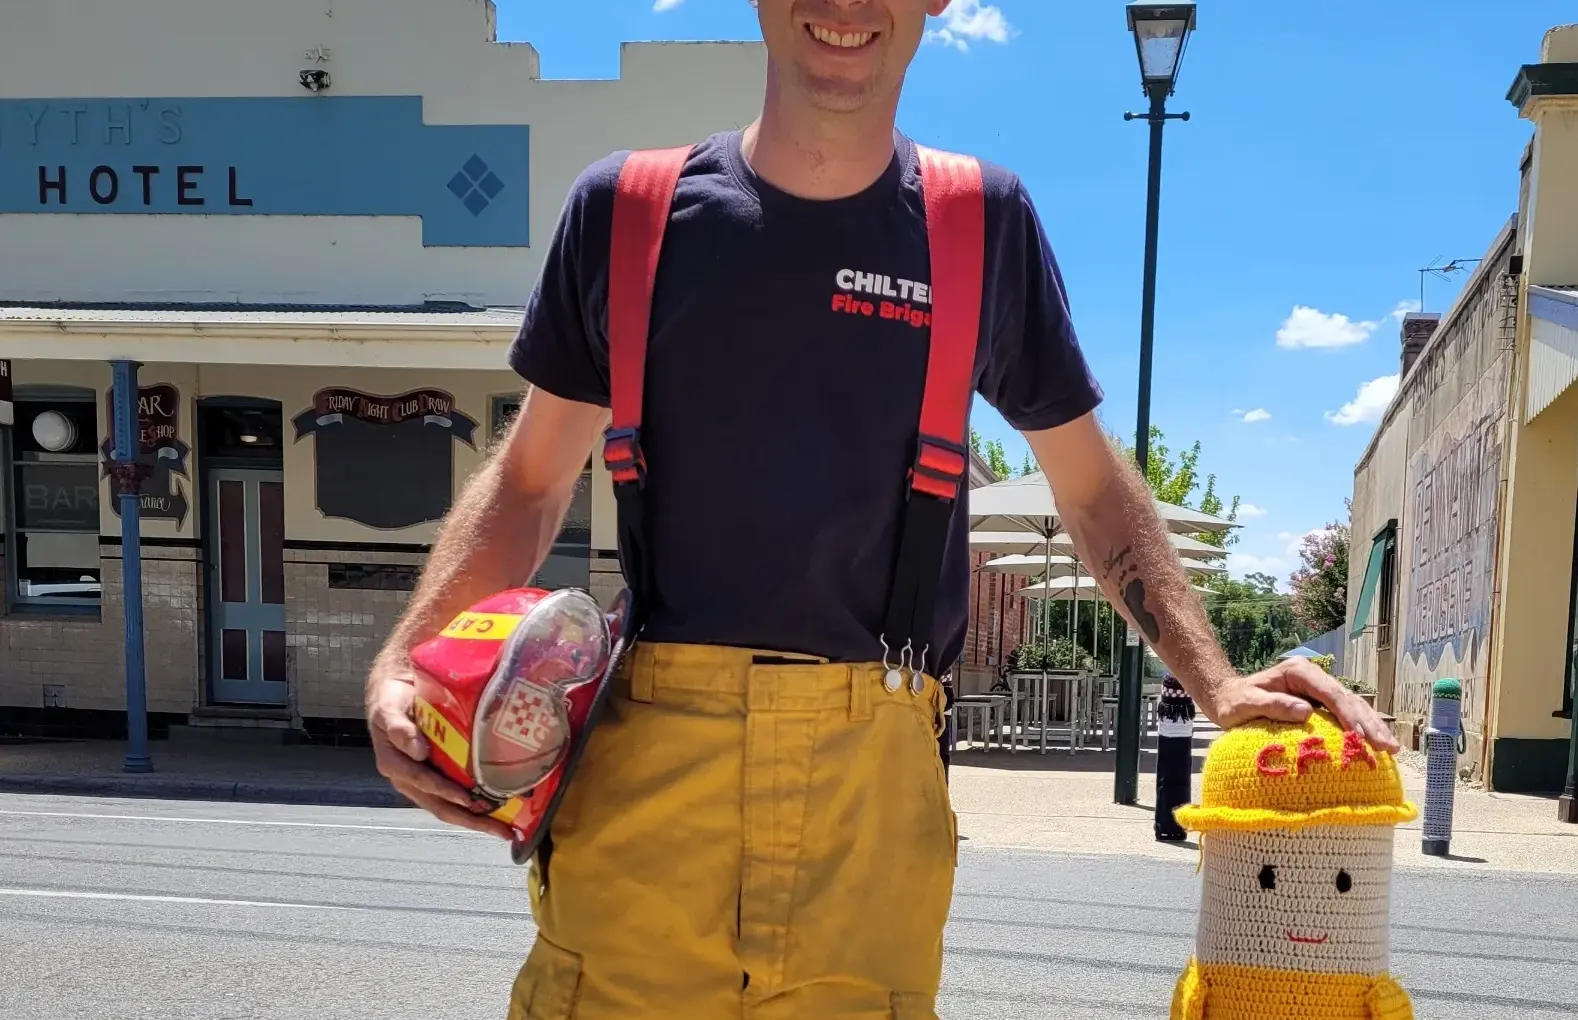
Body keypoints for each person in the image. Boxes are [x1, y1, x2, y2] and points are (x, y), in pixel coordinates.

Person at [363, 2, 1398, 1017]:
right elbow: (530, 482)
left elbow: (1087, 487)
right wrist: (408, 662)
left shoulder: (978, 222)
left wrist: (1210, 679)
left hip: (872, 806)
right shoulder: (625, 212)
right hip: (643, 801)